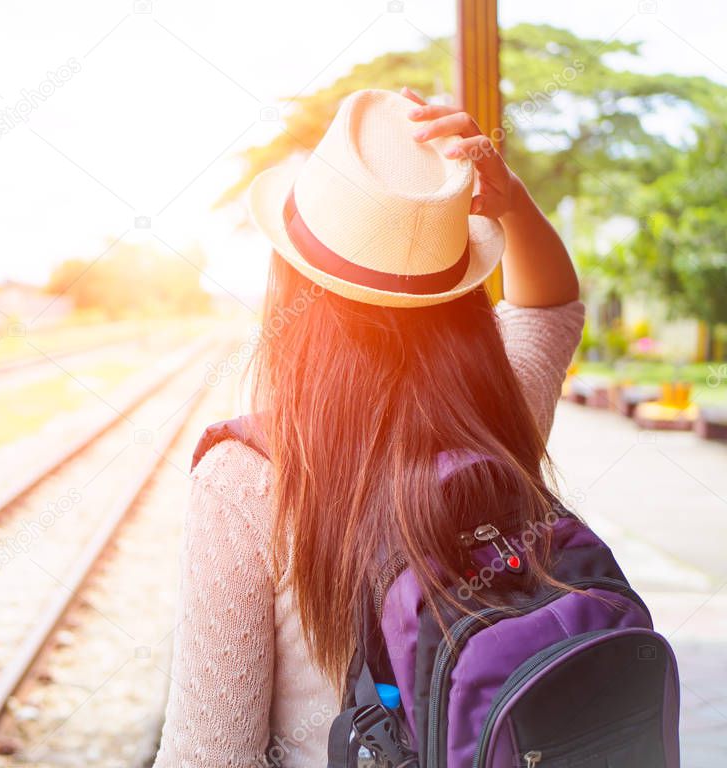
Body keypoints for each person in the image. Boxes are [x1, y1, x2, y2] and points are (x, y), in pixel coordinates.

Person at [152, 87, 584, 768]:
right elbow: (552, 311)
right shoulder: (500, 422)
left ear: (292, 282)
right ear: (461, 295)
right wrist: (511, 202)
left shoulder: (248, 477)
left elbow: (210, 755)